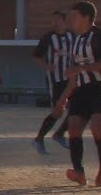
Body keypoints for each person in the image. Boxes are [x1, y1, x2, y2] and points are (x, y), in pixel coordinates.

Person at [56, 0, 101, 187]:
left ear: (86, 17)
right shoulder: (76, 40)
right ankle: (79, 172)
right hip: (81, 90)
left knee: (98, 126)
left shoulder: (100, 36)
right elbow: (74, 73)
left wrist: (82, 68)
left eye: (74, 15)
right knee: (74, 127)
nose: (70, 19)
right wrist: (63, 98)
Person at [32, 11, 74, 152]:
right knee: (57, 111)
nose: (55, 23)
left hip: (71, 79)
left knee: (77, 109)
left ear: (64, 21)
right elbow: (35, 57)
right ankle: (39, 139)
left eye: (57, 20)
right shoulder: (48, 38)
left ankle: (60, 133)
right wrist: (46, 66)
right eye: (53, 20)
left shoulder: (72, 36)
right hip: (55, 80)